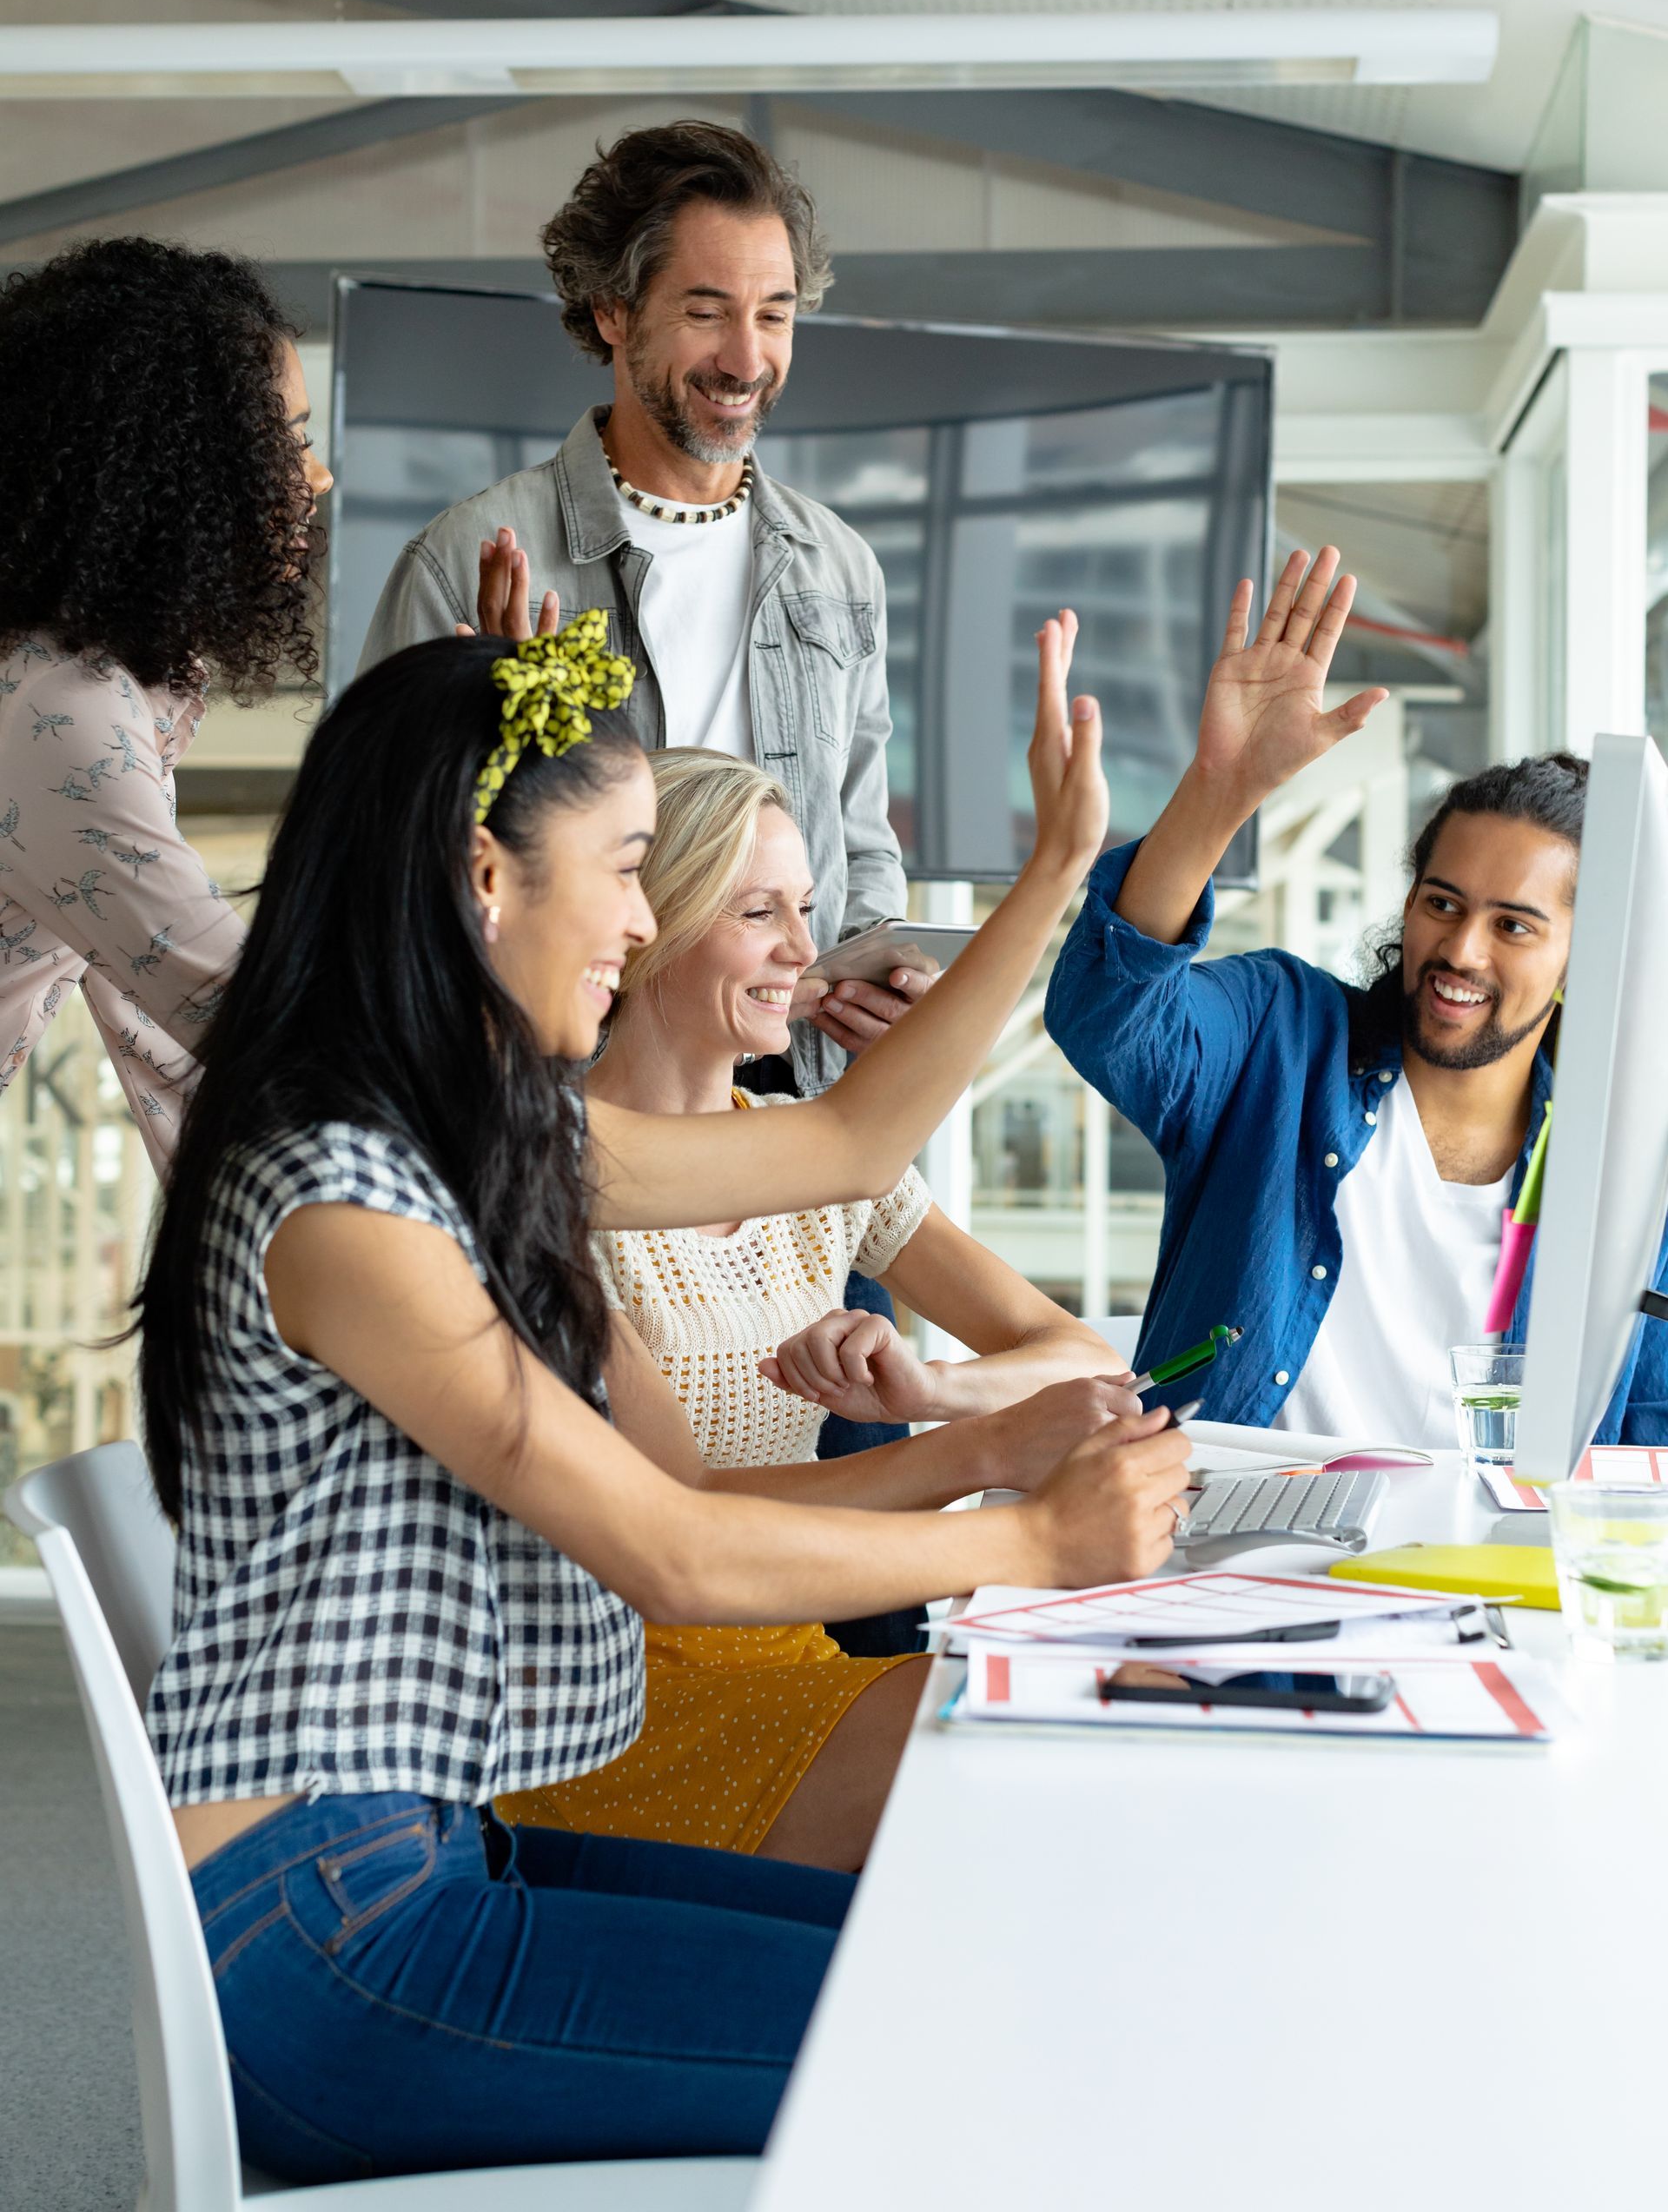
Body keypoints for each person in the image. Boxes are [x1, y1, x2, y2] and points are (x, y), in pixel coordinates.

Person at [136, 612, 1189, 2181]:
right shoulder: (341, 1190)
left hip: (421, 1860)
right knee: (979, 2033)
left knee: (981, 1957)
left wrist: (1050, 877)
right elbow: (670, 1555)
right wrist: (1029, 1541)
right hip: (319, 1946)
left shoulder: (457, 1131)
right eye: (629, 868)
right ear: (486, 879)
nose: (644, 921)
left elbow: (837, 1152)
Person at [493, 745, 1136, 1871]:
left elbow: (1069, 1353)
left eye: (805, 908)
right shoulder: (545, 1174)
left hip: (795, 1659)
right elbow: (676, 1514)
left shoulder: (818, 1171)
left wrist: (935, 1390)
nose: (804, 950)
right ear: (657, 926)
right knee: (1017, 1771)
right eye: (759, 913)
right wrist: (973, 1449)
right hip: (609, 1704)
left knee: (1082, 1735)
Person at [1044, 545, 1668, 1447]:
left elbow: (1646, 1442)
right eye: (1442, 904)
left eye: (1514, 926)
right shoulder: (1281, 1033)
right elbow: (1106, 1013)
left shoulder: (1622, 1179)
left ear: (1585, 959)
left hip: (1482, 1571)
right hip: (1224, 1558)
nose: (1460, 949)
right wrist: (1223, 791)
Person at [359, 116, 923, 1083]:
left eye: (776, 314)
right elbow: (390, 867)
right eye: (707, 312)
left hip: (795, 1077)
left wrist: (885, 972)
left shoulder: (838, 565)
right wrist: (498, 750)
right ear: (614, 311)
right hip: (578, 1085)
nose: (747, 360)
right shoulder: (471, 558)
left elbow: (858, 841)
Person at [0, 237, 333, 1171]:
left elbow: (152, 1006)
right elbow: (235, 1012)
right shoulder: (68, 716)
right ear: (177, 464)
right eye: (293, 440)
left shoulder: (115, 683)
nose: (317, 477)